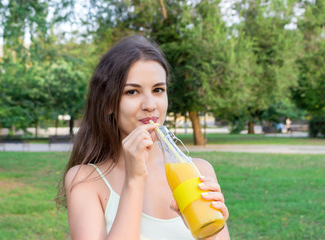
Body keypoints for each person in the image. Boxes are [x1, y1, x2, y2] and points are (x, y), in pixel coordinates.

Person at [56, 35, 230, 240]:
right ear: (109, 104)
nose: (150, 104)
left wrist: (210, 234)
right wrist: (134, 180)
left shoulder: (199, 172)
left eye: (158, 90)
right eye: (132, 92)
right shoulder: (85, 180)